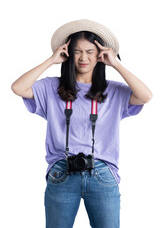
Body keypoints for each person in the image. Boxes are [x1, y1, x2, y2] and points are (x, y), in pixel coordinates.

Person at [11, 19, 152, 228]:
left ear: (99, 55)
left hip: (102, 173)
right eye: (77, 51)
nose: (83, 57)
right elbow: (18, 87)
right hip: (62, 171)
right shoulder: (52, 88)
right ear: (68, 53)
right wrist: (50, 61)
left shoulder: (112, 91)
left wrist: (116, 63)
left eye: (90, 51)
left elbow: (145, 96)